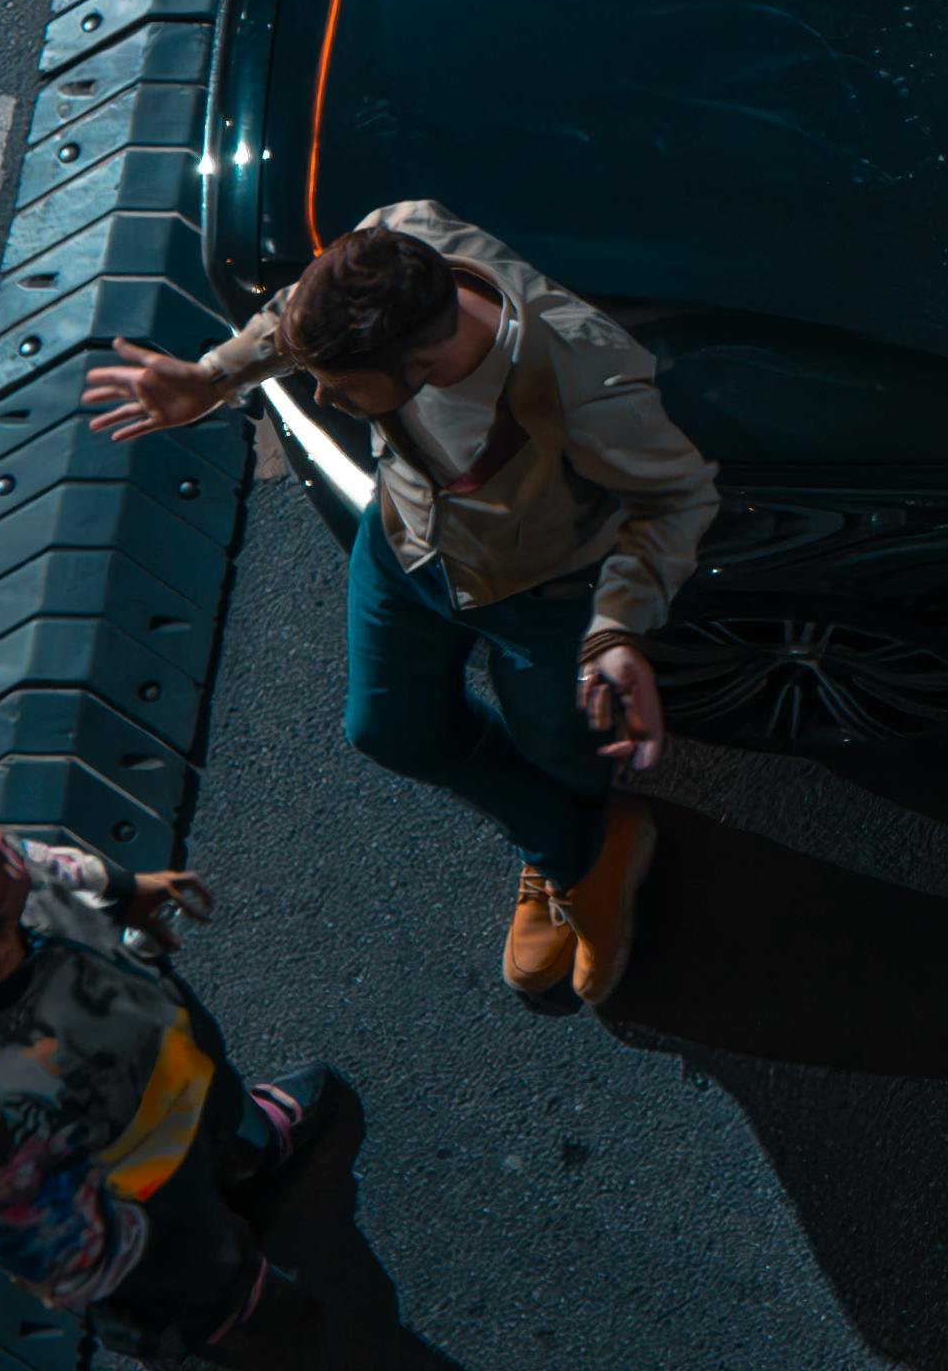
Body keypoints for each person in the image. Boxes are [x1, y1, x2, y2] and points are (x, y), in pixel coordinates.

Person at [76, 206, 713, 1015]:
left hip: (544, 598)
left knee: (561, 752)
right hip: (405, 547)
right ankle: (578, 849)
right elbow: (304, 315)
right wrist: (213, 377)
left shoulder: (583, 376)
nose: (320, 396)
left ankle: (577, 846)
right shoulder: (399, 237)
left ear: (424, 362)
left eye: (340, 388)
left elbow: (674, 497)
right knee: (386, 729)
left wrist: (616, 626)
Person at [0, 808, 349, 1354]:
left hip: (166, 1064)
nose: (0, 837)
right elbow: (42, 1235)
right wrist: (128, 1272)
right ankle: (230, 1315)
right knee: (201, 1271)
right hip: (134, 1184)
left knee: (214, 1100)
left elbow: (57, 868)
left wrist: (126, 894)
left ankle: (240, 1144)